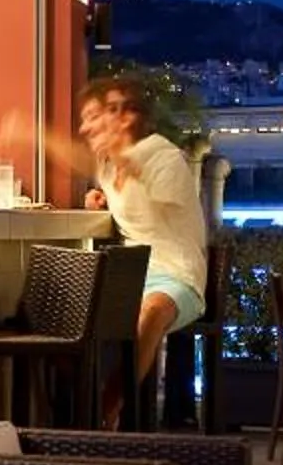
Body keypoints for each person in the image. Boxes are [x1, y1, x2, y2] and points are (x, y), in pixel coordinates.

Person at [17, 76, 209, 410]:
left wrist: (128, 169)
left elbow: (162, 202)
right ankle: (69, 411)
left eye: (93, 117)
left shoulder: (163, 157)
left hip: (177, 275)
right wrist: (103, 193)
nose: (85, 128)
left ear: (124, 117)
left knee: (151, 311)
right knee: (53, 313)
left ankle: (111, 407)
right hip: (130, 277)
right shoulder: (108, 167)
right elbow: (77, 157)